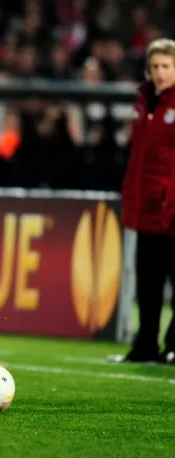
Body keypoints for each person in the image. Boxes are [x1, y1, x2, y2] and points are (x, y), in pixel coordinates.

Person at [112, 38, 175, 364]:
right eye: (155, 67)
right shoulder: (145, 100)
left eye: (165, 66)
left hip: (171, 209)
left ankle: (173, 346)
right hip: (147, 207)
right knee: (147, 283)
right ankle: (145, 346)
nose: (159, 73)